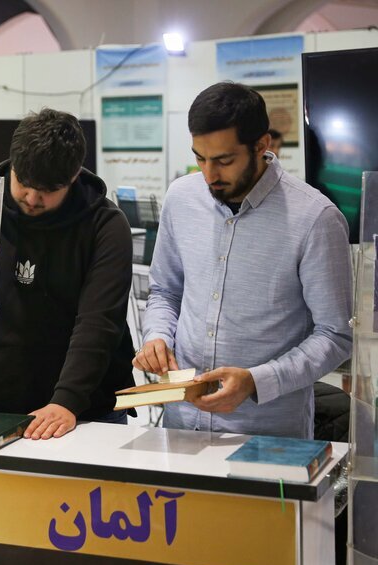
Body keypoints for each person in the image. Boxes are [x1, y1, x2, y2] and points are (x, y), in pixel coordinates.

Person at [136, 82, 352, 439]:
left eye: (224, 161)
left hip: (267, 436)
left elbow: (335, 335)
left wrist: (256, 381)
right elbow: (165, 291)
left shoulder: (315, 219)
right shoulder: (181, 198)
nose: (209, 174)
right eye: (200, 158)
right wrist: (156, 336)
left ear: (262, 145)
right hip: (182, 425)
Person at [0, 108, 136, 440]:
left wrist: (67, 400)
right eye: (24, 184)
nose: (32, 198)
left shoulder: (105, 226)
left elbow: (98, 322)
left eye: (47, 190)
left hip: (85, 410)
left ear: (74, 175)